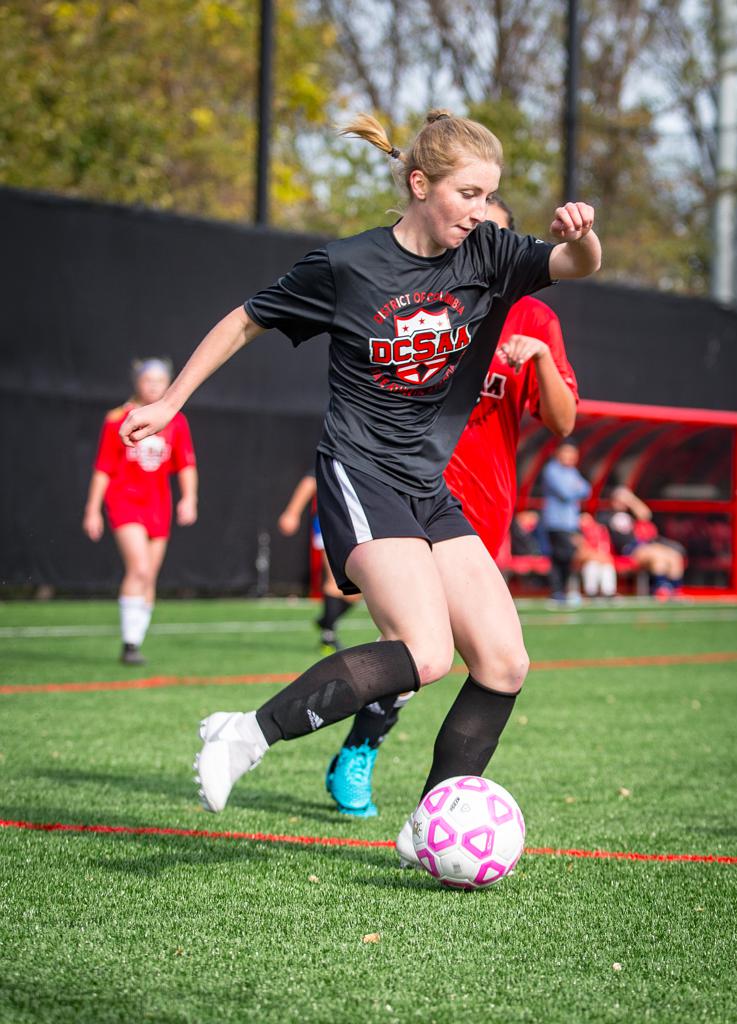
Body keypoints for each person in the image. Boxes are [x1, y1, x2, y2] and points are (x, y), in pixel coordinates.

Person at [119, 109, 601, 867]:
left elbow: (578, 268)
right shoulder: (347, 267)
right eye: (468, 193)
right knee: (423, 651)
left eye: (490, 196)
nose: (480, 211)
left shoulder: (492, 254)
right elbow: (244, 320)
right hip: (360, 468)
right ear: (420, 184)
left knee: (504, 661)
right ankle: (244, 735)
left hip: (425, 482)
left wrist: (581, 236)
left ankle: (425, 829)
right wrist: (170, 401)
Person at [325, 195, 580, 817]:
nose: (470, 242)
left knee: (488, 659)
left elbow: (564, 421)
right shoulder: (424, 302)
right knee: (416, 645)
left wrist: (541, 358)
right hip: (411, 486)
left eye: (487, 233)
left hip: (481, 509)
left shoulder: (533, 318)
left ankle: (428, 798)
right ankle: (360, 752)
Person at [83, 358, 198, 664]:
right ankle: (130, 644)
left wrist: (189, 498)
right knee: (140, 569)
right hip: (125, 499)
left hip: (157, 503)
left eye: (161, 381)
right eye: (149, 380)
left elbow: (186, 464)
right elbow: (103, 467)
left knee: (150, 577)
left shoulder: (176, 421)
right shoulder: (118, 418)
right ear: (137, 382)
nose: (154, 386)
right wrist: (92, 509)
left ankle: (136, 640)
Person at [278, 470, 361, 652]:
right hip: (330, 521)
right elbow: (310, 480)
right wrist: (292, 513)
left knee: (357, 590)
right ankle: (328, 636)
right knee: (335, 580)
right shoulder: (341, 447)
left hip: (356, 524)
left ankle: (326, 620)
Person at [606, 485, 685, 598]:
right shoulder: (606, 515)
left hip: (643, 545)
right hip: (629, 549)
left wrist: (631, 499)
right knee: (656, 556)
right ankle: (661, 589)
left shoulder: (630, 514)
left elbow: (646, 514)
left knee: (674, 556)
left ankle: (673, 591)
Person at [541, 439, 591, 603]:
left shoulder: (572, 472)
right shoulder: (551, 470)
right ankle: (557, 591)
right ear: (558, 453)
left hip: (570, 523)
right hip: (556, 522)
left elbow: (587, 489)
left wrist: (575, 488)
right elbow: (566, 493)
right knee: (560, 556)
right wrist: (575, 488)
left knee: (568, 557)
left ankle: (562, 591)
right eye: (567, 452)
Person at [575, 512, 617, 598]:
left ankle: (608, 594)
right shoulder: (576, 533)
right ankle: (591, 593)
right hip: (581, 563)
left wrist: (596, 556)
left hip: (599, 560)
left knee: (606, 566)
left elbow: (605, 554)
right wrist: (593, 556)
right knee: (592, 564)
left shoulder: (600, 531)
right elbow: (580, 554)